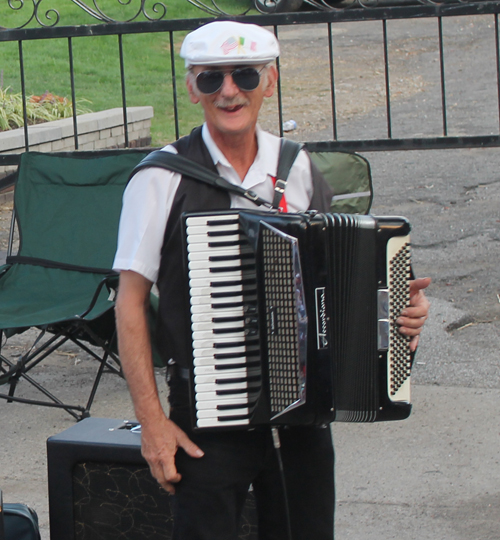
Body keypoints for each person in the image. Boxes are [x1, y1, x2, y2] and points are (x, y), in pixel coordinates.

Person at [113, 20, 431, 540]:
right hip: (208, 421)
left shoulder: (298, 168)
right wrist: (151, 423)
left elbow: (347, 283)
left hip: (305, 420)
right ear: (193, 89)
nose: (230, 91)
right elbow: (129, 303)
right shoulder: (161, 178)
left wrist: (401, 317)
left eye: (244, 75)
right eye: (212, 79)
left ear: (271, 81)